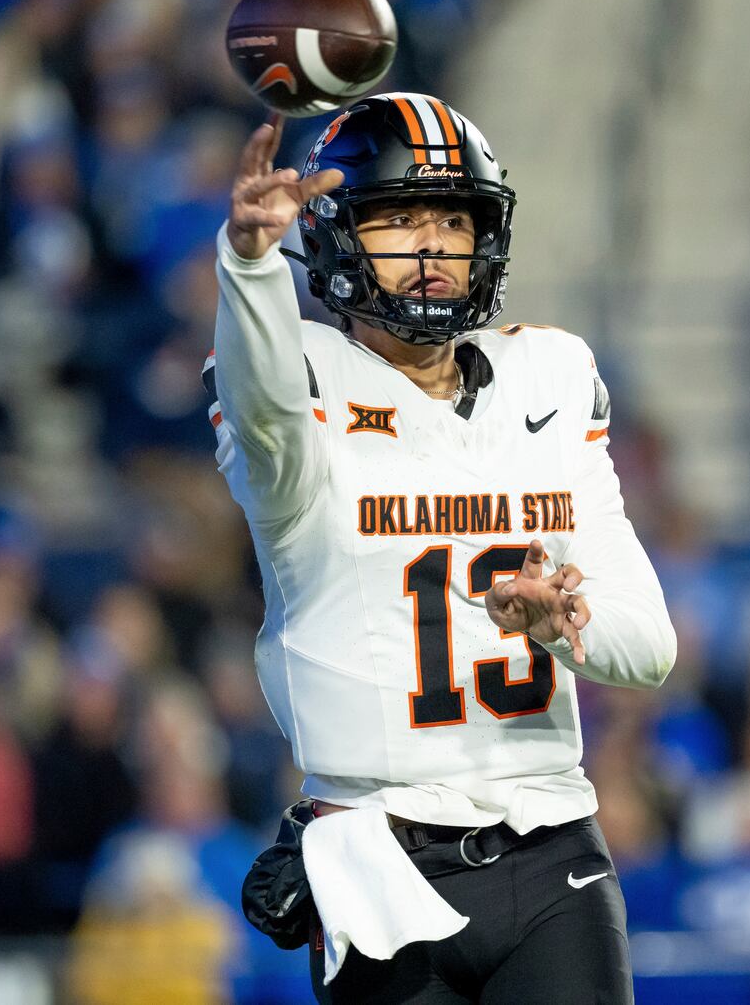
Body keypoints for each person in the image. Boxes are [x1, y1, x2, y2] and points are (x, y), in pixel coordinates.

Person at [210, 94, 676, 1003]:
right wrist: (252, 266)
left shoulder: (549, 376)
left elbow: (650, 650)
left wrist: (560, 623)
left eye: (452, 220)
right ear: (340, 234)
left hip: (551, 846)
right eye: (398, 219)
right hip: (376, 864)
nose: (430, 247)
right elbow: (264, 412)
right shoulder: (298, 375)